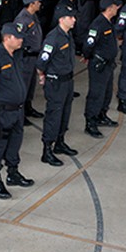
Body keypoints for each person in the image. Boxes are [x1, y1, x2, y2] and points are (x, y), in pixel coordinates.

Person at [0, 22, 34, 199]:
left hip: (17, 111)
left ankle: (13, 173)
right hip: (1, 111)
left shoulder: (16, 55)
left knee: (15, 143)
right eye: (17, 38)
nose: (20, 41)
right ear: (7, 38)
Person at [36, 11, 79, 166]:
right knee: (54, 115)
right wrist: (42, 75)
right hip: (56, 83)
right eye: (70, 17)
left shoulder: (67, 35)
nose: (74, 19)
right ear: (61, 19)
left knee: (65, 113)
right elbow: (42, 62)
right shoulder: (53, 38)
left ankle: (60, 142)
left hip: (67, 81)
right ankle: (47, 149)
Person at [83, 0, 121, 138]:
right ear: (110, 8)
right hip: (99, 65)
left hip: (108, 64)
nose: (117, 8)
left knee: (107, 92)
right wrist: (88, 56)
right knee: (96, 94)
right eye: (115, 6)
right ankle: (90, 122)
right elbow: (88, 44)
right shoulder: (98, 24)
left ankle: (101, 115)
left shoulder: (108, 22)